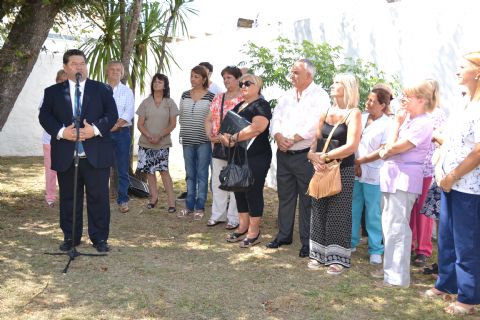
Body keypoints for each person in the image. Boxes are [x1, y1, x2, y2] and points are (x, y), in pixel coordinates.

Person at [39, 49, 118, 253]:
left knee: (98, 197)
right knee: (68, 197)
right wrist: (61, 132)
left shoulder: (101, 89)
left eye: (82, 63)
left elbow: (112, 114)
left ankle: (99, 238)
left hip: (96, 154)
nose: (79, 67)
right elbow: (44, 116)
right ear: (66, 68)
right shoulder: (53, 92)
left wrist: (95, 130)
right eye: (74, 64)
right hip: (67, 153)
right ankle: (70, 237)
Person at [424, 51, 480, 315]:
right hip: (447, 182)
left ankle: (468, 298)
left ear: (478, 72)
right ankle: (446, 284)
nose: (456, 71)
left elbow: (478, 151)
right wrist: (440, 161)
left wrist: (453, 174)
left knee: (466, 243)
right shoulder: (462, 101)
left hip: (469, 187)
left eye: (462, 67)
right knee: (445, 237)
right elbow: (449, 137)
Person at [370, 79, 435, 287]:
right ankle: (390, 271)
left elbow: (394, 148)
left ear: (422, 100)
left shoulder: (423, 122)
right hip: (392, 178)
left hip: (404, 180)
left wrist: (395, 126)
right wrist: (392, 139)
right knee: (389, 226)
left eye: (408, 96)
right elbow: (387, 147)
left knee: (397, 228)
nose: (403, 100)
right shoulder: (408, 119)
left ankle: (397, 278)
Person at [267, 58, 330, 258]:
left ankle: (307, 241)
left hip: (305, 154)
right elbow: (275, 117)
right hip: (284, 153)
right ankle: (284, 235)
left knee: (306, 199)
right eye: (291, 72)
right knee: (285, 196)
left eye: (296, 73)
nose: (291, 76)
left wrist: (294, 138)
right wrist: (277, 136)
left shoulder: (320, 96)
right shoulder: (286, 95)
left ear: (308, 76)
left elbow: (317, 122)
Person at [306, 73, 362, 274]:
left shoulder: (354, 113)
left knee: (339, 212)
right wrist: (313, 157)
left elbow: (351, 146)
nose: (332, 85)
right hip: (321, 168)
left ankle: (337, 258)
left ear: (347, 88)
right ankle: (318, 254)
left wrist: (325, 157)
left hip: (342, 169)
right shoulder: (325, 111)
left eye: (337, 82)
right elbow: (315, 141)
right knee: (318, 208)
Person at [222, 74, 272, 248]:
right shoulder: (239, 105)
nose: (243, 86)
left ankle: (254, 231)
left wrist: (234, 137)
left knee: (252, 191)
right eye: (241, 83)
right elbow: (228, 126)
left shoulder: (261, 105)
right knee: (239, 189)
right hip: (238, 154)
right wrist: (225, 137)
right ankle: (242, 226)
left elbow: (258, 127)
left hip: (257, 155)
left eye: (247, 83)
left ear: (257, 86)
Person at [351, 86, 392, 265]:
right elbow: (353, 141)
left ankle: (376, 248)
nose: (367, 103)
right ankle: (351, 241)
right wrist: (355, 162)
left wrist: (361, 162)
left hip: (373, 172)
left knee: (373, 212)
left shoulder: (388, 124)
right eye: (367, 99)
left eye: (372, 101)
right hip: (355, 169)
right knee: (354, 208)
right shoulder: (362, 117)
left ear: (382, 105)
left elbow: (382, 150)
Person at [409, 79, 446, 267]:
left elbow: (437, 139)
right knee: (411, 209)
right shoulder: (414, 113)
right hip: (412, 167)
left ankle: (423, 249)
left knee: (424, 211)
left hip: (428, 170)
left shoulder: (438, 114)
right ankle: (410, 243)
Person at [205, 65, 244, 229]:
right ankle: (218, 215)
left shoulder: (243, 98)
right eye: (224, 78)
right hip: (218, 145)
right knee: (218, 181)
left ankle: (234, 217)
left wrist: (231, 138)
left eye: (229, 77)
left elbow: (245, 124)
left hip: (237, 145)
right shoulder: (218, 98)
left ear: (237, 79)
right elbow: (208, 119)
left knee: (234, 181)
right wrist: (210, 136)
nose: (226, 81)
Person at [136, 74, 178, 212]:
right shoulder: (146, 102)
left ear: (165, 86)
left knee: (164, 171)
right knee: (149, 172)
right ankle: (154, 198)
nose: (156, 84)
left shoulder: (170, 102)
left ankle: (172, 202)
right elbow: (140, 124)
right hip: (146, 143)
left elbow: (173, 124)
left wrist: (160, 135)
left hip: (163, 143)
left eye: (159, 82)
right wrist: (149, 135)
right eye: (154, 82)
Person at [177, 65, 215, 219]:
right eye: (192, 76)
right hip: (187, 139)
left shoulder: (211, 97)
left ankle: (200, 207)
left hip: (204, 141)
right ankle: (189, 205)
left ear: (204, 79)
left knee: (202, 173)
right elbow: (182, 116)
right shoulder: (185, 95)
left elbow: (212, 119)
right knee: (189, 174)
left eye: (197, 76)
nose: (193, 79)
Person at [106, 60, 135, 214]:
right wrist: (106, 127)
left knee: (122, 168)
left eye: (119, 70)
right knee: (101, 167)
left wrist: (115, 126)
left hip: (122, 133)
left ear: (122, 73)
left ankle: (123, 200)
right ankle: (100, 199)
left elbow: (129, 111)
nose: (116, 72)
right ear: (107, 71)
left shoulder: (127, 91)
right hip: (103, 133)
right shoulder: (100, 89)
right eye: (112, 69)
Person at [41, 69, 68, 208]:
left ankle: (67, 197)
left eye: (66, 81)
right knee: (51, 170)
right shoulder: (49, 95)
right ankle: (50, 196)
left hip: (69, 141)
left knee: (67, 171)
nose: (63, 84)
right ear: (56, 80)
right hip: (50, 140)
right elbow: (45, 118)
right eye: (60, 81)